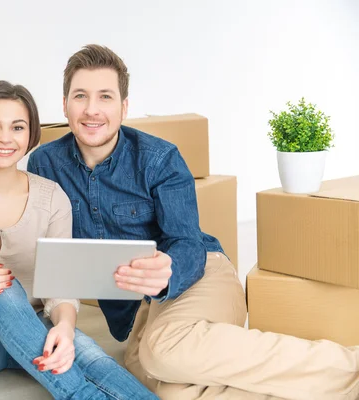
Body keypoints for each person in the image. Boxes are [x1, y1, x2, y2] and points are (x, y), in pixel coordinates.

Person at [27, 44, 359, 400]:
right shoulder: (44, 164)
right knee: (167, 389)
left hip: (198, 277)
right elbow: (50, 253)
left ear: (123, 107)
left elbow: (187, 242)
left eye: (105, 96)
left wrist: (167, 269)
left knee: (163, 350)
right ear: (65, 105)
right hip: (139, 308)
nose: (92, 110)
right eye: (80, 96)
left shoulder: (159, 158)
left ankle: (349, 367)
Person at [0, 80, 159, 400]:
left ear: (30, 135)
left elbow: (62, 289)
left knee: (93, 358)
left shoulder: (52, 198)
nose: (5, 138)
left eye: (17, 127)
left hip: (32, 327)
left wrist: (64, 327)